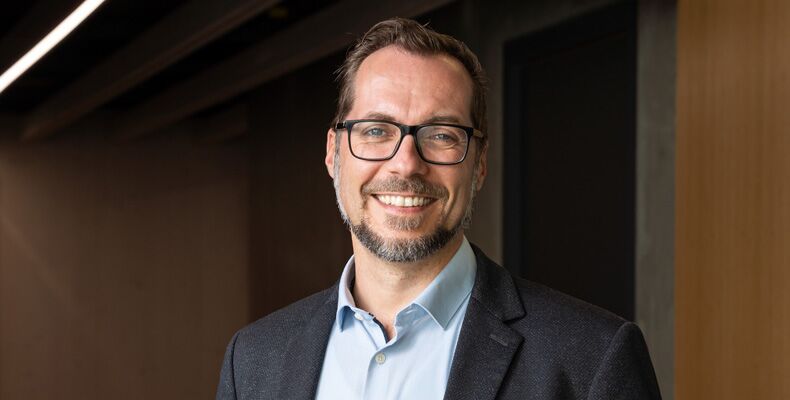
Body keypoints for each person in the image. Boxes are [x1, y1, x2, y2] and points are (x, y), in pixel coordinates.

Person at [216, 18, 661, 400]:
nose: (406, 163)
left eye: (442, 135)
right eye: (376, 131)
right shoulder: (251, 360)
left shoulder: (592, 361)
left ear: (479, 164)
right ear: (334, 153)